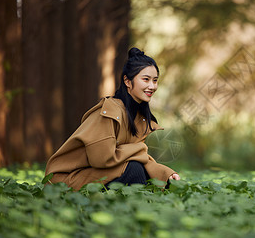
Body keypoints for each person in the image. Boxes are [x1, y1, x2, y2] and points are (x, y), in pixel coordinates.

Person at [44, 47, 180, 191]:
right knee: (134, 170)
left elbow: (138, 156)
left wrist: (166, 174)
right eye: (146, 79)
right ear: (127, 81)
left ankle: (144, 205)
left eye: (155, 80)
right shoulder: (110, 111)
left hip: (95, 175)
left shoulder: (140, 118)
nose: (152, 86)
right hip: (64, 180)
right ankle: (137, 208)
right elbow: (102, 159)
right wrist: (139, 148)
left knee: (151, 176)